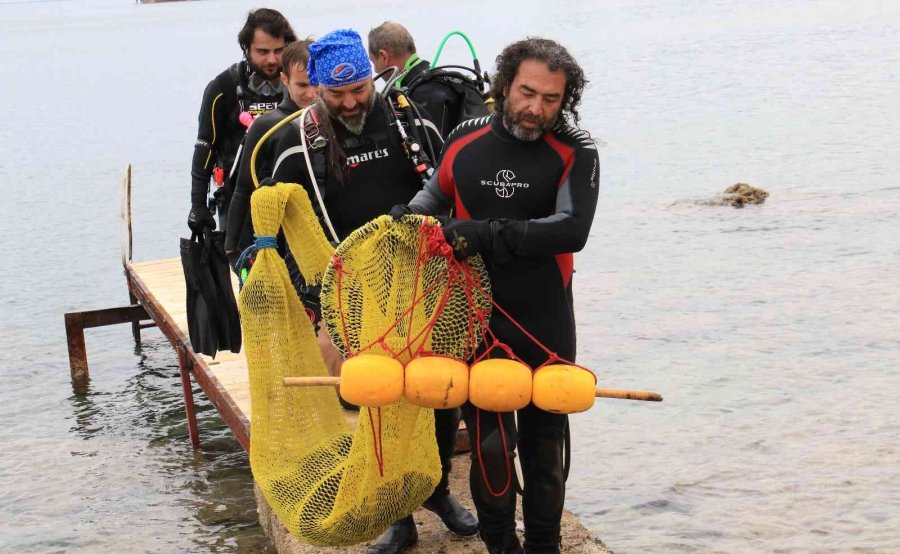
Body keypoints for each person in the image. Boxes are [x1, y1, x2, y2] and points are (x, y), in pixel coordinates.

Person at [270, 29, 476, 554]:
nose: (350, 102)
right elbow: (285, 223)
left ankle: (438, 492)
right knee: (378, 396)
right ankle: (398, 514)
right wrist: (313, 297)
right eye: (335, 94)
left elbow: (451, 188)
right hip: (354, 292)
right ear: (316, 88)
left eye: (359, 88)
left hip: (422, 278)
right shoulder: (297, 142)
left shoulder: (412, 118)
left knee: (439, 388)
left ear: (371, 76)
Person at [398, 37, 600, 554]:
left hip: (545, 318)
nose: (536, 108)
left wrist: (485, 234)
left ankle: (545, 547)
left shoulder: (575, 150)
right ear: (504, 84)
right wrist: (406, 221)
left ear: (565, 99)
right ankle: (500, 547)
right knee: (491, 444)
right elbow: (434, 196)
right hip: (476, 318)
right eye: (527, 93)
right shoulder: (465, 139)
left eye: (551, 99)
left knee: (542, 446)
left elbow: (570, 229)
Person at [187, 8, 296, 235]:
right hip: (238, 197)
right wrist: (198, 205)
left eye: (279, 50)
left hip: (293, 196)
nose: (272, 59)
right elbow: (205, 146)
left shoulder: (301, 85)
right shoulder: (222, 88)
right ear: (246, 48)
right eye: (262, 51)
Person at [367, 21, 489, 138]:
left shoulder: (418, 96)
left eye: (374, 62)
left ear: (383, 56)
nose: (376, 70)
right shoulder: (445, 82)